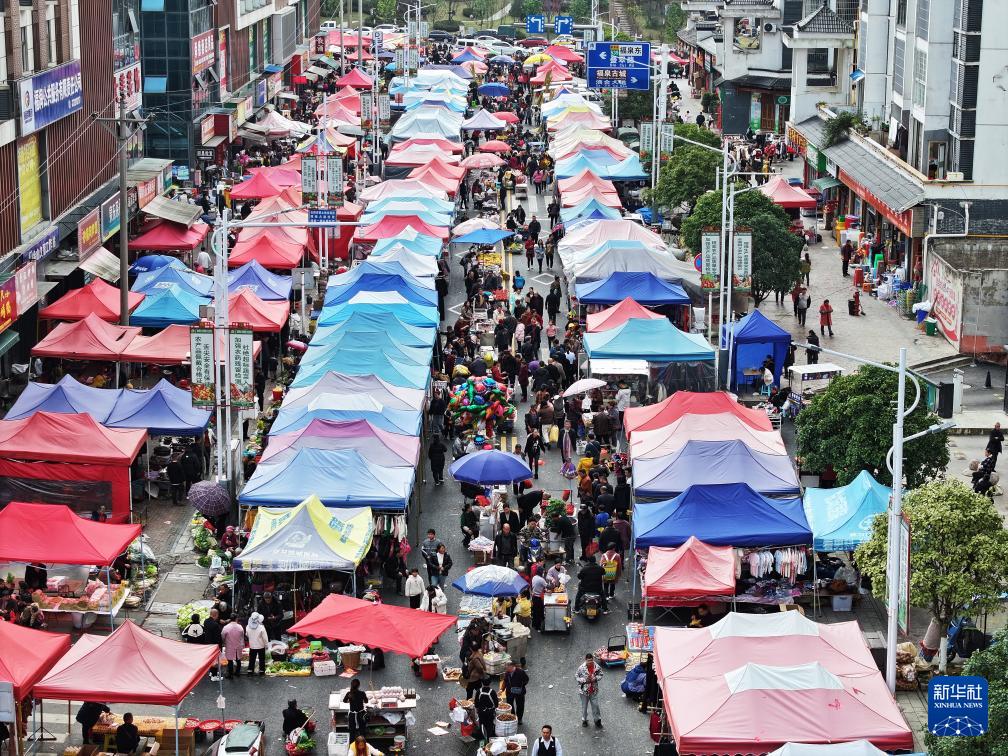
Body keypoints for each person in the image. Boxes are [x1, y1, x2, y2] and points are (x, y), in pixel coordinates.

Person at [576, 653, 604, 728]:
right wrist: (584, 680)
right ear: (585, 660)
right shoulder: (581, 668)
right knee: (584, 707)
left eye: (591, 660)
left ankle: (597, 721)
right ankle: (584, 720)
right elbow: (576, 677)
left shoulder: (596, 667)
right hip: (584, 691)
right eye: (588, 660)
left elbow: (601, 674)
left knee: (595, 706)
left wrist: (595, 678)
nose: (590, 662)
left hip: (594, 690)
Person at [221, 615, 245, 679]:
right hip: (238, 645)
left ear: (230, 619)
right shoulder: (240, 627)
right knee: (238, 660)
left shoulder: (226, 627)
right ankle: (237, 672)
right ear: (236, 619)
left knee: (230, 661)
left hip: (230, 646)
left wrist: (224, 642)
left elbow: (222, 636)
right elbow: (242, 636)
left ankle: (230, 674)